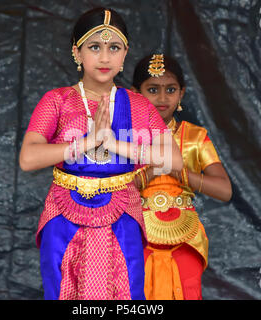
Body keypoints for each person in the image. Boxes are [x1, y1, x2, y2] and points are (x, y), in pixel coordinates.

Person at [19, 9, 183, 300]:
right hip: (63, 215)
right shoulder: (56, 101)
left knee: (127, 292)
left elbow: (174, 160)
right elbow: (28, 158)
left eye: (114, 48)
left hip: (122, 215)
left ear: (124, 55)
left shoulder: (139, 106)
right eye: (94, 47)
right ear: (77, 52)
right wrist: (85, 142)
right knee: (61, 291)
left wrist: (114, 143)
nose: (105, 57)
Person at [131, 54, 232, 300]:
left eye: (171, 89)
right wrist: (153, 171)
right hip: (136, 236)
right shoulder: (125, 137)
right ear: (135, 94)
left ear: (182, 93)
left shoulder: (195, 137)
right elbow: (109, 188)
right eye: (152, 89)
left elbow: (224, 190)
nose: (162, 98)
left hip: (185, 239)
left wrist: (180, 173)